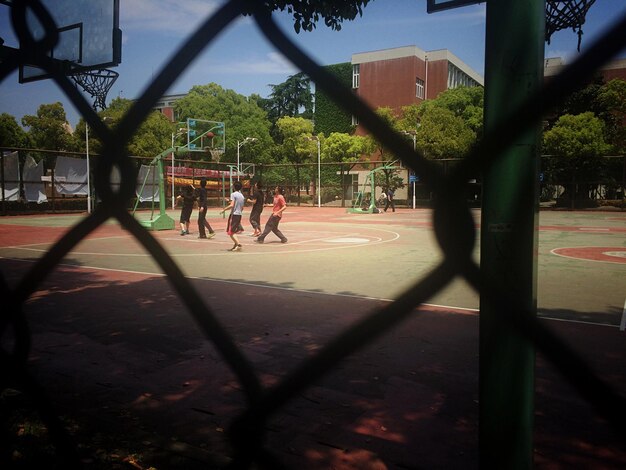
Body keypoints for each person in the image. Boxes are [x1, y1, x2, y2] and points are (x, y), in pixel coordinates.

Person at [220, 180, 245, 251]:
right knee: (233, 230)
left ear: (234, 187)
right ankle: (236, 245)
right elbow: (242, 207)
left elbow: (232, 205)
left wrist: (224, 209)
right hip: (239, 214)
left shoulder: (233, 194)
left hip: (234, 215)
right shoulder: (242, 196)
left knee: (231, 232)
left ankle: (238, 244)